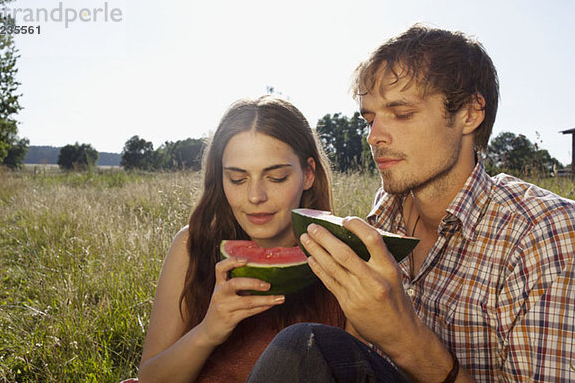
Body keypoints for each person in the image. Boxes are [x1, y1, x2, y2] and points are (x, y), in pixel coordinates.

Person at [247, 25, 575, 382]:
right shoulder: (384, 211)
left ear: (469, 113)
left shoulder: (545, 232)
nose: (374, 137)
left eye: (402, 114)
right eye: (370, 119)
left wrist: (405, 339)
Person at [136, 96, 348, 383]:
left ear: (308, 174)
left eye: (276, 178)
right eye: (237, 179)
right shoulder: (190, 248)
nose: (255, 197)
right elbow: (150, 378)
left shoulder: (342, 261)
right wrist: (208, 332)